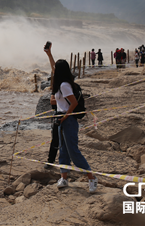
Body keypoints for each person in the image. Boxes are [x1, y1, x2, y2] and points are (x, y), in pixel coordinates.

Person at [43, 48, 98, 193]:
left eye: (56, 70)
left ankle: (92, 178)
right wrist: (49, 54)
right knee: (63, 151)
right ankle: (64, 178)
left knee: (73, 151)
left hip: (67, 120)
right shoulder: (62, 82)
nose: (53, 71)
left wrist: (65, 117)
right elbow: (54, 68)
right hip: (60, 119)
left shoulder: (64, 86)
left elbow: (73, 104)